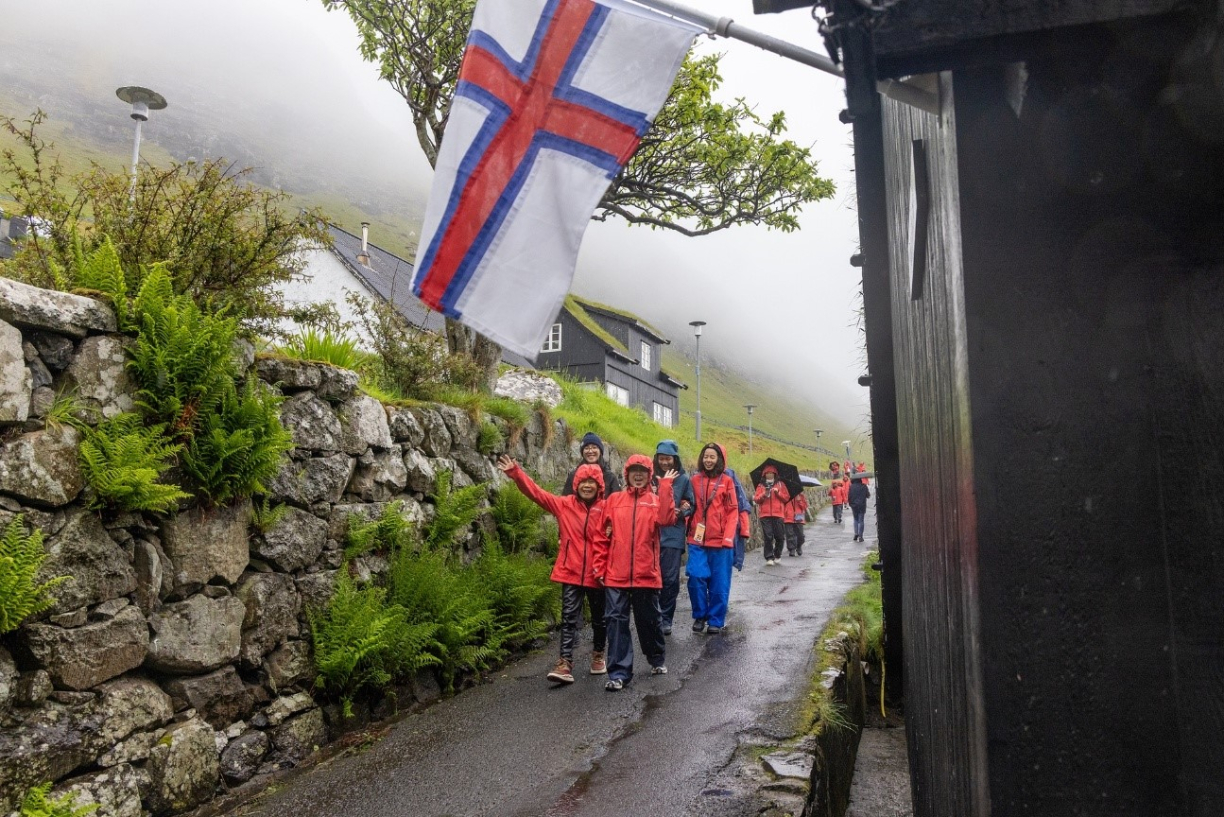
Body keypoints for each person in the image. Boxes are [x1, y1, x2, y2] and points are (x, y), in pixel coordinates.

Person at [496, 454, 609, 684]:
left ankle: (598, 654)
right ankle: (564, 663)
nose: (587, 486)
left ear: (599, 486)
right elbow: (537, 494)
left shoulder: (607, 509)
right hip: (570, 571)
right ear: (576, 485)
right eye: (583, 482)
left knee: (600, 619)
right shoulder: (564, 505)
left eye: (592, 482)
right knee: (568, 618)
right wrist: (516, 473)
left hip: (598, 574)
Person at [594, 455, 677, 690]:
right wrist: (599, 566)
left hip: (645, 573)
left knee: (649, 620)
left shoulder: (654, 500)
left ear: (649, 475)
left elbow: (668, 518)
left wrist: (666, 487)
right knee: (616, 621)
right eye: (634, 471)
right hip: (615, 574)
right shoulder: (614, 500)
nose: (638, 475)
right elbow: (602, 537)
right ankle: (619, 673)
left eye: (642, 471)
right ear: (627, 474)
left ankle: (656, 658)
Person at [686, 443, 741, 635]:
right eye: (706, 456)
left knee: (719, 583)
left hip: (720, 542)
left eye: (712, 457)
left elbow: (733, 511)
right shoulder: (693, 480)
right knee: (695, 577)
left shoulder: (727, 481)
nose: (708, 460)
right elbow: (688, 504)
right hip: (697, 540)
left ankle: (716, 619)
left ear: (719, 459)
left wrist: (728, 537)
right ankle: (700, 615)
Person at [653, 440, 694, 636]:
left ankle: (666, 619)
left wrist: (681, 512)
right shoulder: (650, 477)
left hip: (673, 535)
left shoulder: (684, 480)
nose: (664, 462)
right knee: (652, 579)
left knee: (669, 579)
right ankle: (654, 616)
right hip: (651, 534)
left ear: (674, 459)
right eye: (661, 458)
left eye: (668, 458)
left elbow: (691, 504)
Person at [561, 432, 622, 496]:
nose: (590, 451)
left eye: (594, 447)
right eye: (586, 448)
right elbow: (565, 501)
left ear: (600, 451)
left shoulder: (610, 477)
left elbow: (617, 502)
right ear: (582, 452)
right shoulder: (573, 475)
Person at [753, 465, 791, 565]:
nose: (769, 475)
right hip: (765, 515)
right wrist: (764, 494)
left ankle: (777, 554)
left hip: (778, 514)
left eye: (771, 473)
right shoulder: (761, 486)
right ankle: (769, 557)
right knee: (768, 537)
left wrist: (778, 493)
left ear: (775, 474)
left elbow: (786, 498)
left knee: (780, 537)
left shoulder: (781, 484)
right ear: (764, 475)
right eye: (767, 473)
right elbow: (756, 499)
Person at [784, 489, 808, 556]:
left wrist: (799, 499)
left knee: (801, 536)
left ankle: (798, 546)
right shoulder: (786, 495)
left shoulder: (801, 496)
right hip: (788, 517)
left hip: (798, 518)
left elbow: (804, 507)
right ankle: (792, 549)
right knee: (789, 535)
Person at [848, 476, 871, 542]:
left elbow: (849, 496)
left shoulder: (851, 487)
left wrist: (850, 503)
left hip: (854, 505)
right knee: (861, 520)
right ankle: (860, 536)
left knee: (855, 519)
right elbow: (868, 495)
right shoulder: (864, 486)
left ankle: (856, 533)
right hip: (862, 505)